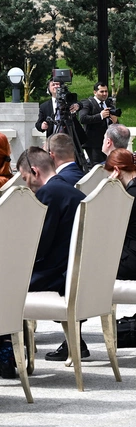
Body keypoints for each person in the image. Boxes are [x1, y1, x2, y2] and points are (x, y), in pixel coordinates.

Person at [16, 141, 86, 362]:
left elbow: (39, 245)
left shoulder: (48, 193)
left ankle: (9, 353)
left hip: (58, 276)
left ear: (34, 171)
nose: (27, 185)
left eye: (25, 178)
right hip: (77, 272)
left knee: (1, 285)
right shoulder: (72, 191)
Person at [105, 149, 136, 281]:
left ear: (116, 170)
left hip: (131, 259)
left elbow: (110, 225)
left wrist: (108, 187)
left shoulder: (129, 196)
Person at [79, 83, 121, 164]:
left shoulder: (108, 103)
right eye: (102, 91)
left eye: (106, 91)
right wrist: (100, 116)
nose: (104, 94)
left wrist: (115, 121)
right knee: (98, 167)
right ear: (95, 92)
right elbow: (82, 119)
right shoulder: (87, 102)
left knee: (109, 166)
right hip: (93, 143)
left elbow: (114, 123)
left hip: (108, 143)